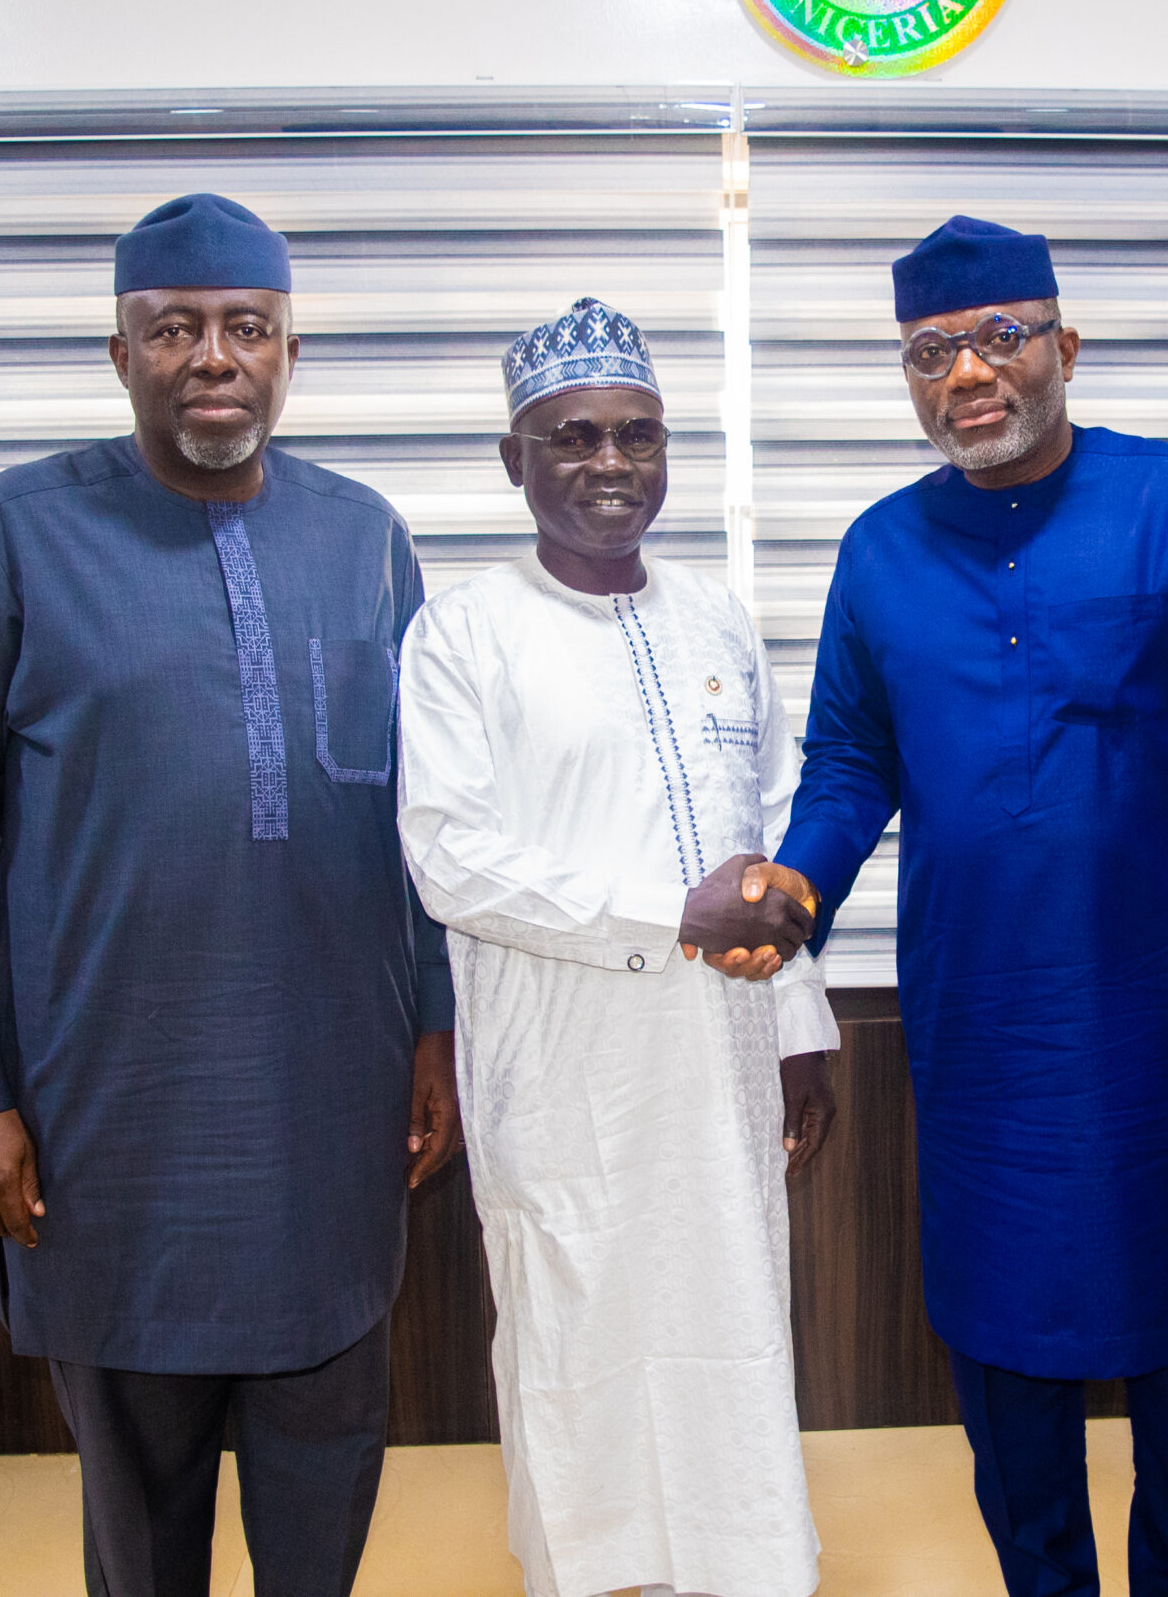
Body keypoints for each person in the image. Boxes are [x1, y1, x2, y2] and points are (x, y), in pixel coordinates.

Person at [0, 193, 458, 1597]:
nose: (214, 357)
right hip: (108, 1118)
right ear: (120, 353)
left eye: (246, 328)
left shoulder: (366, 538)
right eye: (174, 329)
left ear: (290, 352)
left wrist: (439, 1023)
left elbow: (430, 816)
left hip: (330, 1112)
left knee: (325, 1491)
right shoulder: (15, 534)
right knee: (142, 1526)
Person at [765, 218, 1168, 1597]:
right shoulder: (881, 550)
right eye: (931, 352)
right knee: (1006, 1371)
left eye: (1000, 337)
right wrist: (798, 885)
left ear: (1065, 347)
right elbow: (849, 760)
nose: (968, 372)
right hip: (990, 1036)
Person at [395, 298, 836, 1597]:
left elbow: (770, 840)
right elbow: (451, 860)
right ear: (515, 459)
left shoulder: (717, 621)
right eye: (574, 436)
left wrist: (799, 1029)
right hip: (563, 1072)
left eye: (638, 436)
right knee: (576, 1341)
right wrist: (668, 918)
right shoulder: (463, 633)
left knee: (732, 1321)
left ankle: (738, 1570)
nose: (610, 463)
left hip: (724, 1062)